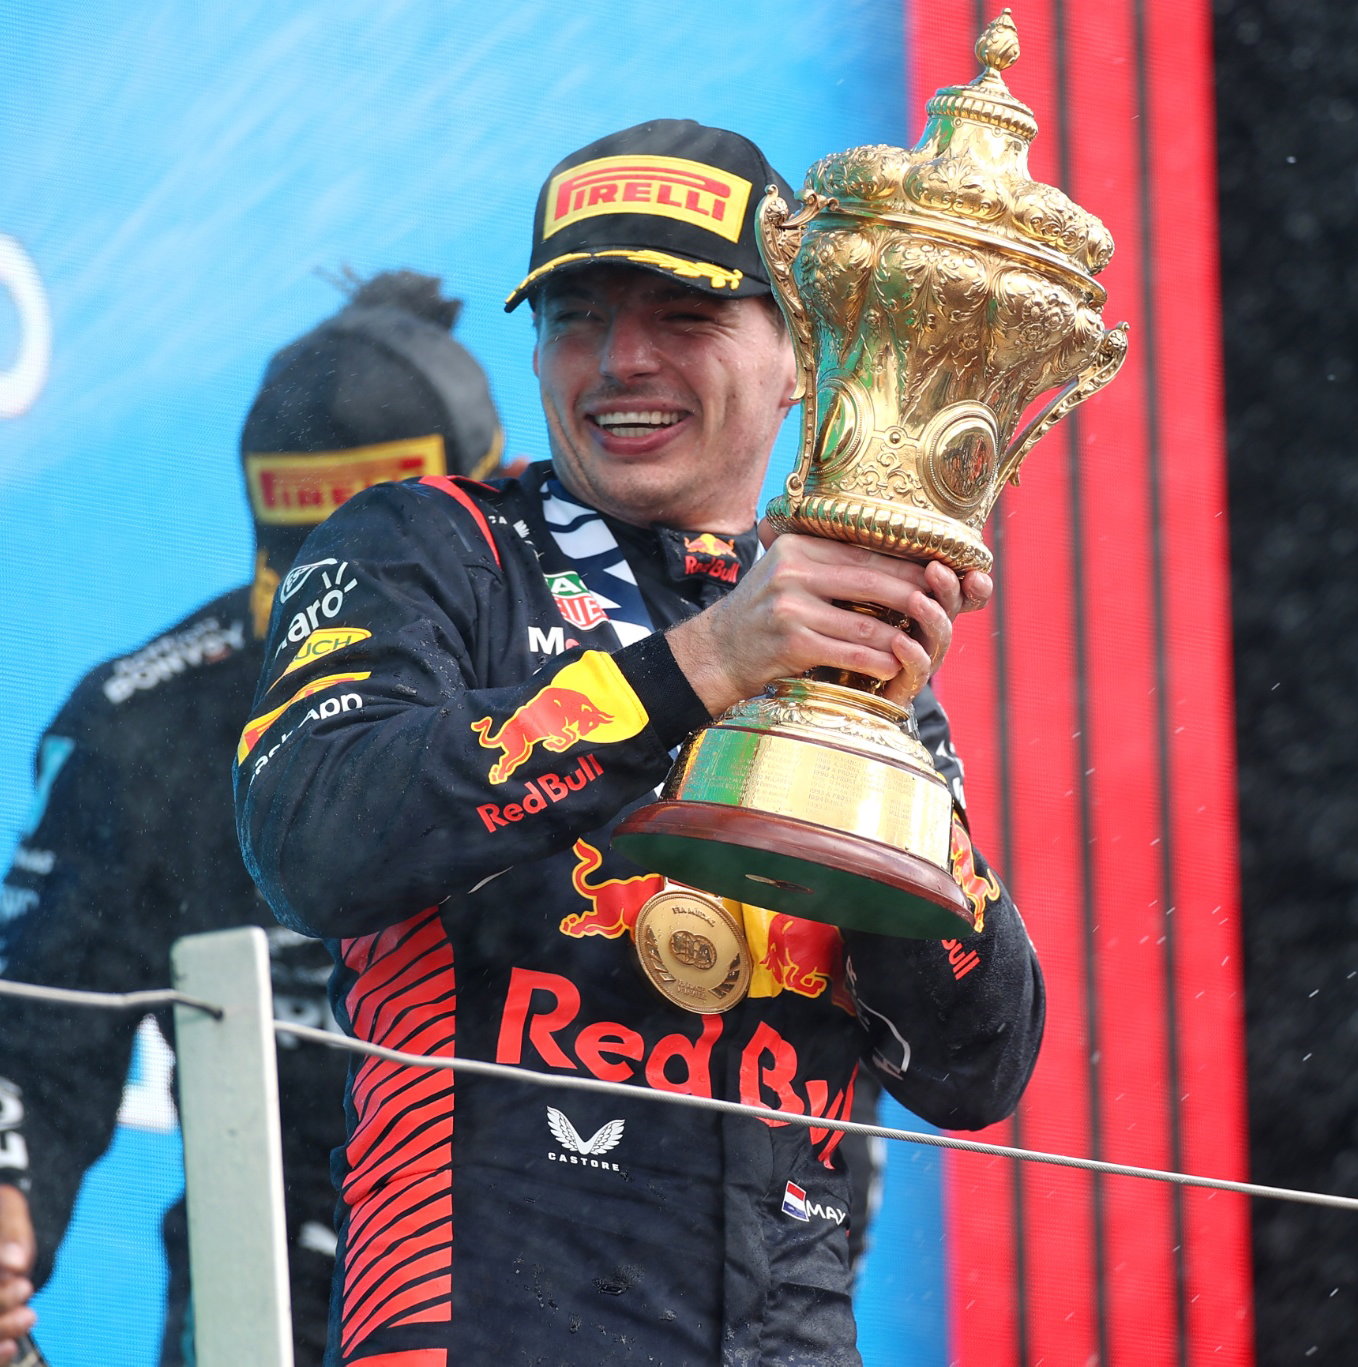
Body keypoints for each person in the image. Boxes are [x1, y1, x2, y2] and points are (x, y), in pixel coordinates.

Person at [235, 119, 1045, 1366]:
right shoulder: (424, 548)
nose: (621, 360)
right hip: (481, 1327)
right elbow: (316, 842)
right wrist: (702, 664)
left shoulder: (832, 629)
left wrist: (900, 791)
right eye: (575, 314)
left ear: (802, 357)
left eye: (684, 312)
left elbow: (975, 1065)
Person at [0, 270, 504, 1366]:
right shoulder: (149, 719)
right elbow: (37, 1035)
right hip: (259, 1281)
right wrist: (9, 1198)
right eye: (310, 583)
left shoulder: (619, 680)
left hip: (546, 1267)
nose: (346, 641)